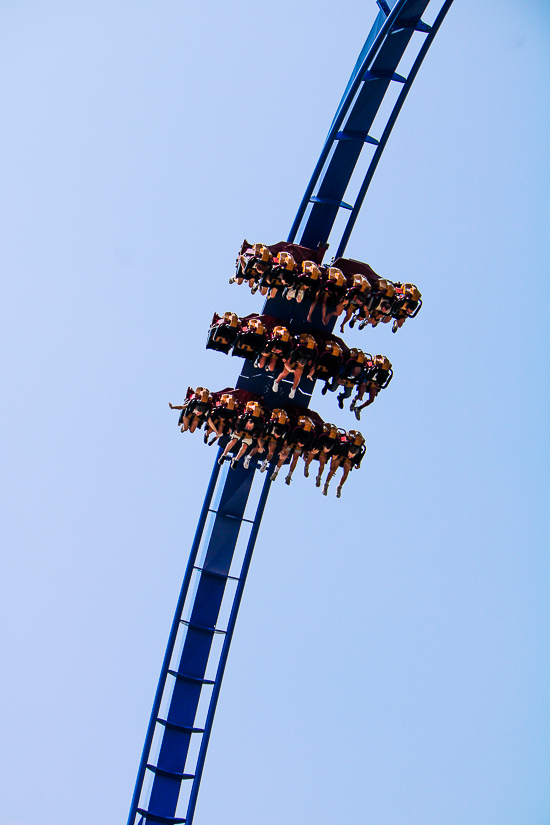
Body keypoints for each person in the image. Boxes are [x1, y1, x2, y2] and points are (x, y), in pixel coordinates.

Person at [217, 400, 265, 469]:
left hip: (248, 435)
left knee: (245, 446)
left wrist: (255, 435)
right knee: (233, 441)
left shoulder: (257, 424)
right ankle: (223, 455)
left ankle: (236, 459)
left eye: (250, 427)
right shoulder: (242, 419)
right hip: (239, 431)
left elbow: (259, 432)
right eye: (248, 426)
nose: (248, 428)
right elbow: (234, 421)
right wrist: (236, 428)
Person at [271, 414, 316, 484]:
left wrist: (305, 454)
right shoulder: (301, 419)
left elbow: (307, 446)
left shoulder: (309, 434)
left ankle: (289, 475)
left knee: (295, 459)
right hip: (292, 440)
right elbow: (299, 421)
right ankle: (276, 472)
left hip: (301, 439)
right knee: (283, 456)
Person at [272, 333, 317, 399]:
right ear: (298, 360)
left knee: (298, 373)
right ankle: (276, 382)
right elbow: (286, 363)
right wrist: (290, 369)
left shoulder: (309, 360)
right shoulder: (295, 356)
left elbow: (312, 368)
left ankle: (293, 389)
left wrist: (310, 374)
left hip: (304, 356)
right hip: (292, 361)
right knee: (285, 372)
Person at [322, 430, 366, 497]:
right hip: (341, 454)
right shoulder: (349, 437)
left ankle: (339, 486)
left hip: (349, 456)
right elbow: (341, 443)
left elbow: (361, 454)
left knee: (346, 470)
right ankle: (326, 483)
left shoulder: (360, 444)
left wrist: (358, 462)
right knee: (333, 469)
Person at [303, 422, 341, 487]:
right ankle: (306, 466)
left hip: (326, 449)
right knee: (312, 453)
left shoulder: (335, 441)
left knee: (322, 461)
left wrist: (334, 456)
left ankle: (319, 476)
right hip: (318, 446)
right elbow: (316, 440)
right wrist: (312, 450)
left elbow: (337, 448)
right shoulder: (322, 436)